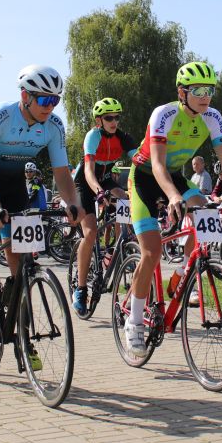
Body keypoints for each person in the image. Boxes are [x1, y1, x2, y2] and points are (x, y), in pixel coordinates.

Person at [124, 62, 222, 358]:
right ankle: (134, 320)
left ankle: (183, 272)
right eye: (198, 90)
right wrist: (172, 196)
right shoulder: (164, 114)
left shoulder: (213, 117)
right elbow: (157, 164)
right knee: (151, 252)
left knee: (205, 212)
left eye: (209, 90)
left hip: (174, 177)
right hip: (145, 177)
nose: (205, 96)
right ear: (182, 92)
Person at [0, 64, 82, 345]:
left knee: (21, 260)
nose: (49, 106)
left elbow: (62, 174)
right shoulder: (1, 116)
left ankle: (23, 337)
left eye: (55, 100)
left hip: (13, 181)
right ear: (25, 96)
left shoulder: (54, 126)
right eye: (44, 99)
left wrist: (73, 203)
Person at [72, 97, 138, 315]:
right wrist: (99, 192)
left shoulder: (122, 137)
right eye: (109, 118)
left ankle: (122, 245)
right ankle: (81, 288)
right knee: (90, 233)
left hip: (107, 178)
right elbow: (89, 171)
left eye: (117, 117)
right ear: (99, 120)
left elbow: (141, 163)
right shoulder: (93, 136)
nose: (114, 122)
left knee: (125, 198)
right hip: (85, 182)